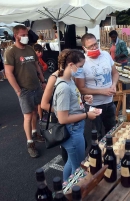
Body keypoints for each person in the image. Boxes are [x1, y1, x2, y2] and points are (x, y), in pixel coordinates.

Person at [50, 49, 98, 185]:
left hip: (75, 129)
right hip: (72, 131)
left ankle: (66, 187)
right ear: (71, 65)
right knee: (78, 169)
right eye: (80, 66)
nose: (81, 70)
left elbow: (70, 101)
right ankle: (72, 191)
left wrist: (82, 97)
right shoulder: (63, 87)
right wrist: (87, 115)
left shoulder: (68, 80)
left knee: (71, 162)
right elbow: (63, 119)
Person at [4, 25, 46, 158]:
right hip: (24, 90)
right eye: (22, 35)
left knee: (35, 111)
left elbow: (36, 65)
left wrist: (42, 80)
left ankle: (35, 133)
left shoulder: (29, 49)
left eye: (26, 34)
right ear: (16, 36)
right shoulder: (10, 51)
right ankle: (30, 143)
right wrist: (18, 90)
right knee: (27, 116)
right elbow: (9, 73)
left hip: (36, 86)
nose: (25, 37)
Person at [75, 33, 119, 138]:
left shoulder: (106, 55)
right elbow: (81, 88)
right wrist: (102, 91)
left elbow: (115, 73)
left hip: (109, 103)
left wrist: (114, 85)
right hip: (94, 105)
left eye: (96, 44)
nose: (95, 47)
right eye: (91, 46)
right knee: (97, 135)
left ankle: (110, 152)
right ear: (84, 48)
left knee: (112, 132)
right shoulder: (82, 62)